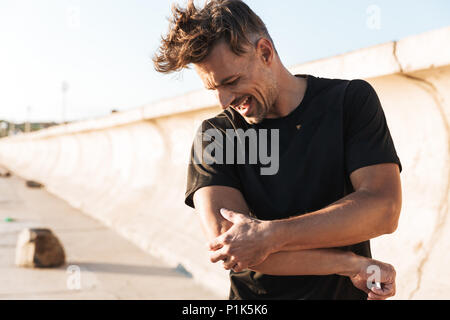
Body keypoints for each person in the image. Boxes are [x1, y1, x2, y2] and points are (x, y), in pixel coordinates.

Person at [153, 0, 402, 300]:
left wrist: (270, 236)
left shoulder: (350, 102)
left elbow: (384, 210)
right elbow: (232, 247)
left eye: (231, 82)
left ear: (265, 52)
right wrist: (349, 265)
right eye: (214, 88)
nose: (224, 100)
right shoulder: (216, 135)